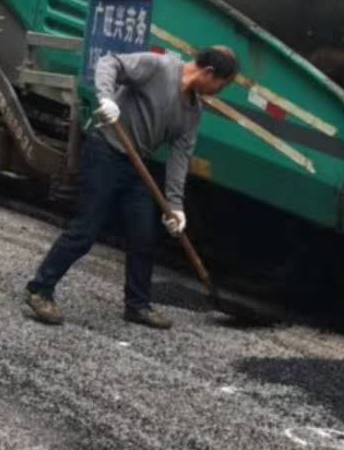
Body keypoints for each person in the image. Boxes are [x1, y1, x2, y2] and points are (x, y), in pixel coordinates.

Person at [25, 45, 239, 330]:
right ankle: (40, 290)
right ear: (209, 73)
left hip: (137, 164)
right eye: (221, 86)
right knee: (86, 229)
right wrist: (106, 98)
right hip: (105, 150)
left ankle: (137, 305)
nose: (218, 92)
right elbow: (109, 63)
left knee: (143, 235)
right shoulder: (159, 67)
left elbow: (180, 158)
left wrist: (175, 205)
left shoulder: (192, 111)